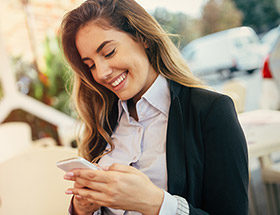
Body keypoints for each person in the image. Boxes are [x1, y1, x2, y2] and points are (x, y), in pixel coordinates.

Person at [60, 0, 249, 214]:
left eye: (109, 52)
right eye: (90, 65)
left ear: (143, 38)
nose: (101, 73)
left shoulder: (211, 112)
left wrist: (155, 203)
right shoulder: (102, 122)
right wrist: (82, 208)